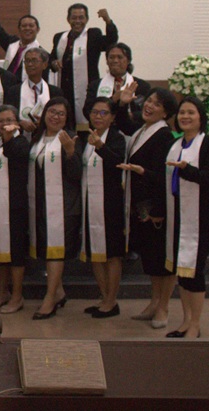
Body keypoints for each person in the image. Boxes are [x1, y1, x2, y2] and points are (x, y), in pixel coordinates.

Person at [116, 87, 178, 329]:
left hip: (156, 207)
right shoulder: (143, 130)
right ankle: (154, 302)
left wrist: (143, 173)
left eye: (156, 104)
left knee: (162, 259)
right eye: (149, 100)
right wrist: (122, 104)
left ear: (166, 112)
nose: (149, 106)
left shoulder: (164, 136)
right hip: (139, 205)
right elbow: (124, 123)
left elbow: (165, 175)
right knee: (151, 259)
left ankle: (163, 307)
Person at [164, 97, 209, 339]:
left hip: (202, 217)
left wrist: (185, 169)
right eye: (181, 113)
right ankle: (185, 320)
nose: (185, 117)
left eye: (191, 112)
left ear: (201, 118)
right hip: (178, 214)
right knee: (182, 271)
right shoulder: (176, 144)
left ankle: (196, 324)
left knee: (195, 270)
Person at [28, 97, 82, 320]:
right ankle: (58, 291)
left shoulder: (71, 139)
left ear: (67, 118)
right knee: (46, 248)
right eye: (52, 111)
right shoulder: (37, 137)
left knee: (55, 249)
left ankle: (49, 298)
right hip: (40, 203)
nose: (55, 116)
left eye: (61, 113)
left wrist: (70, 152)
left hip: (64, 205)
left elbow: (77, 174)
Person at [80, 97, 127, 318]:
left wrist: (100, 146)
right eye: (95, 112)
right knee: (95, 251)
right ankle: (103, 296)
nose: (98, 117)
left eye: (104, 113)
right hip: (90, 202)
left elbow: (116, 164)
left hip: (111, 203)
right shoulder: (86, 138)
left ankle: (112, 299)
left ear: (112, 117)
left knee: (112, 253)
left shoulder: (116, 138)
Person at [0, 104, 30, 314]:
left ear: (17, 121)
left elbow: (16, 156)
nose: (5, 124)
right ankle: (2, 291)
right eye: (1, 120)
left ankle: (17, 295)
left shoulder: (20, 142)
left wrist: (10, 138)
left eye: (9, 120)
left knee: (16, 252)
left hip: (15, 206)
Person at [49, 4, 119, 131]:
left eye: (81, 18)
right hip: (65, 90)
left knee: (88, 128)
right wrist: (53, 63)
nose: (77, 21)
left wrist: (108, 21)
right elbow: (52, 57)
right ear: (68, 19)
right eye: (74, 18)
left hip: (87, 90)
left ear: (86, 19)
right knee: (67, 126)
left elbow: (111, 41)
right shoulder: (60, 37)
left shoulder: (93, 35)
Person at [83, 42, 151, 126]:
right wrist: (112, 100)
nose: (115, 61)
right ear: (107, 61)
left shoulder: (141, 86)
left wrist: (131, 115)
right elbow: (86, 111)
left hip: (131, 131)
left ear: (128, 60)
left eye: (120, 57)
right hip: (103, 133)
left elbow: (147, 111)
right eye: (111, 57)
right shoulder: (95, 85)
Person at [3, 47, 63, 141]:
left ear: (44, 64)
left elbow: (62, 119)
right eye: (27, 61)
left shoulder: (55, 92)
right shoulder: (13, 91)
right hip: (20, 142)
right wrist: (20, 122)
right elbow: (6, 117)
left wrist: (44, 123)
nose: (30, 64)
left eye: (34, 61)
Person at [0, 0, 41, 82]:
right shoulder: (12, 43)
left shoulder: (40, 53)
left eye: (31, 26)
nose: (27, 28)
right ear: (19, 29)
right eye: (24, 26)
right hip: (6, 87)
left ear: (38, 29)